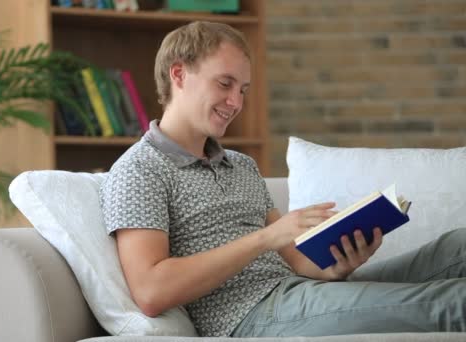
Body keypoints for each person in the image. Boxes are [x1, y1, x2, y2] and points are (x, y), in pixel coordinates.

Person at [100, 21, 466, 337]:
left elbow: (297, 261)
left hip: (301, 292)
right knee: (450, 303)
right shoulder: (139, 169)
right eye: (224, 84)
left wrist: (342, 262)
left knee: (458, 246)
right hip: (252, 314)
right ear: (178, 75)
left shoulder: (240, 165)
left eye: (242, 89)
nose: (236, 102)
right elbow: (151, 291)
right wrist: (265, 238)